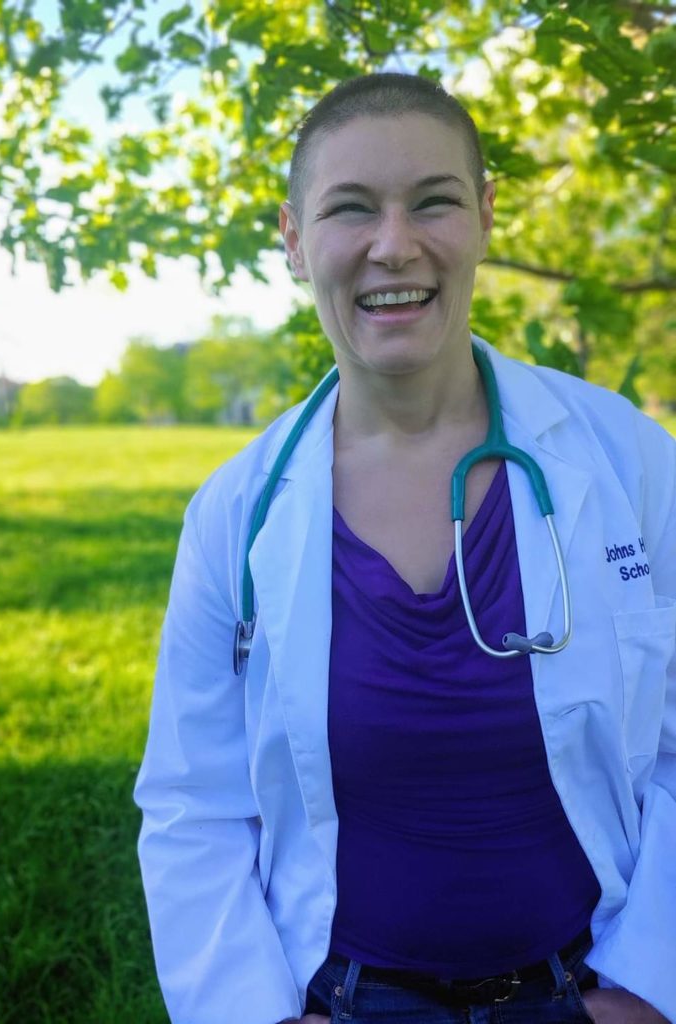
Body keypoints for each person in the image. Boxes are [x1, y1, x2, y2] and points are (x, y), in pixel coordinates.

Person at [134, 73, 676, 1024]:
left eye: (434, 200)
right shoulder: (236, 513)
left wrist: (645, 988)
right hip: (345, 1002)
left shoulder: (623, 457)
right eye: (350, 209)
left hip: (590, 990)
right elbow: (193, 804)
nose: (395, 244)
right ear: (295, 242)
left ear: (485, 216)